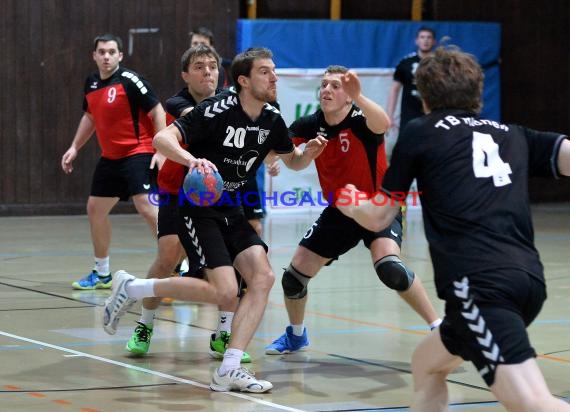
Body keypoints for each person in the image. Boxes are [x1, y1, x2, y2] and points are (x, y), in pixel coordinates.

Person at [336, 46, 570, 412]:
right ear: (477, 92)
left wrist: (351, 203)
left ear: (424, 96)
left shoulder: (421, 132)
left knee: (531, 402)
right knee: (427, 364)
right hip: (528, 280)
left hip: (480, 287)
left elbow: (379, 218)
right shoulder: (512, 134)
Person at [102, 47, 327, 393]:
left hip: (231, 207)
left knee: (262, 277)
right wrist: (191, 160)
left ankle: (230, 369)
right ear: (244, 80)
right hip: (198, 207)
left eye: (274, 71)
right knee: (223, 290)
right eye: (265, 72)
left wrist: (306, 155)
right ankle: (133, 288)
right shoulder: (216, 110)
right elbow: (163, 139)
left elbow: (292, 161)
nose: (274, 77)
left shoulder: (271, 118)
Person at [264, 66, 441, 355]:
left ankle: (438, 326)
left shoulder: (361, 121)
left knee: (390, 269)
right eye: (323, 85)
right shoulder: (310, 124)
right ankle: (296, 336)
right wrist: (282, 158)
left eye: (335, 86)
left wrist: (360, 96)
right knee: (293, 279)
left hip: (377, 207)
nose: (327, 90)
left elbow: (382, 123)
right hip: (339, 212)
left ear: (349, 96)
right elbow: (284, 154)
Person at [124, 44, 251, 363]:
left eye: (211, 66)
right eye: (199, 66)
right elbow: (196, 119)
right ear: (185, 75)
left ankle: (223, 335)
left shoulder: (230, 102)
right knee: (167, 256)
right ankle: (144, 325)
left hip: (217, 199)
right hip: (176, 195)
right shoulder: (177, 103)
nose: (207, 71)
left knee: (225, 265)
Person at [61, 33, 166, 290]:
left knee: (146, 206)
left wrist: (162, 149)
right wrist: (75, 147)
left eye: (111, 52)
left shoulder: (131, 81)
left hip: (138, 151)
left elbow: (157, 110)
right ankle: (102, 273)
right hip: (111, 158)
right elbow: (90, 117)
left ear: (120, 55)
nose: (106, 56)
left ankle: (178, 265)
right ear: (94, 56)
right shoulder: (92, 83)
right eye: (102, 52)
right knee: (95, 209)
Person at [188, 26, 272, 235]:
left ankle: (251, 262)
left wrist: (274, 157)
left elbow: (264, 123)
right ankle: (190, 264)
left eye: (203, 45)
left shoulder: (233, 73)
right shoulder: (192, 88)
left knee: (253, 223)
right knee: (206, 225)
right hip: (215, 166)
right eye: (194, 45)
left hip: (242, 163)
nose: (198, 50)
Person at [386, 27, 436, 137]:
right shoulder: (406, 63)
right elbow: (394, 90)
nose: (426, 40)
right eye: (422, 37)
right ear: (416, 40)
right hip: (409, 114)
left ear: (434, 41)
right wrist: (390, 115)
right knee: (406, 146)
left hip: (433, 112)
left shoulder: (439, 63)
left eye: (429, 37)